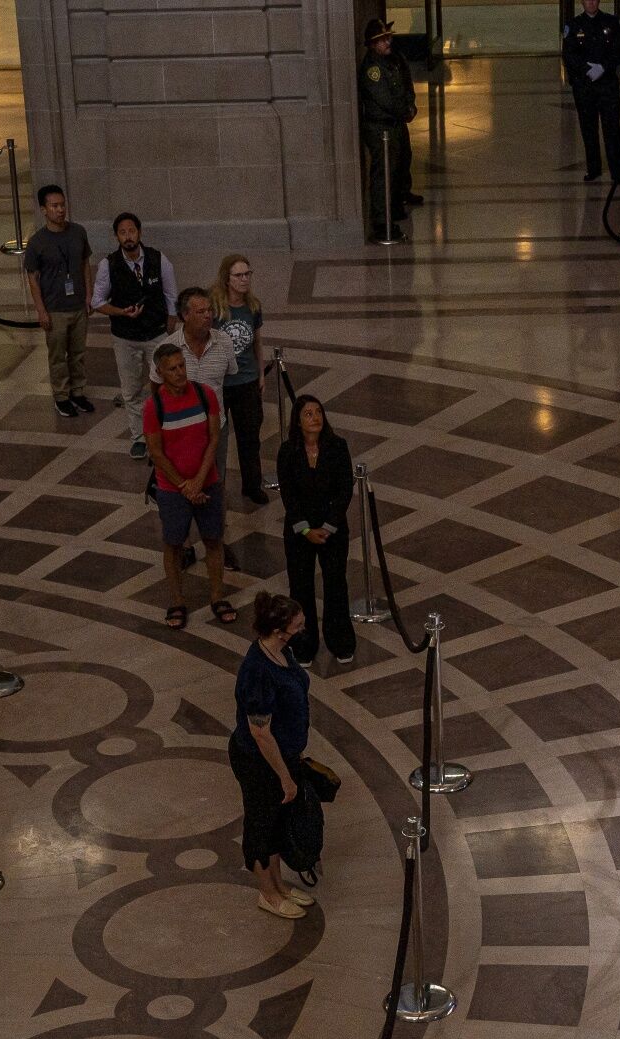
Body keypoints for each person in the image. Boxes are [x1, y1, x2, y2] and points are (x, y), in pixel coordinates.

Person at [230, 592, 317, 920]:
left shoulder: (283, 652)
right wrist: (285, 777)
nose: (303, 629)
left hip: (284, 755)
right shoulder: (256, 672)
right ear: (280, 631)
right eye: (299, 625)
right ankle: (267, 893)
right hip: (260, 762)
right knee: (261, 826)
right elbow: (260, 733)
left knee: (278, 823)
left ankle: (279, 885)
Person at [144, 342, 236, 629]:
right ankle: (177, 600)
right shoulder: (154, 406)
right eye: (172, 369)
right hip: (173, 490)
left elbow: (213, 439)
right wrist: (184, 486)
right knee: (173, 545)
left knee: (213, 539)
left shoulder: (204, 393)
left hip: (206, 483)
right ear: (160, 372)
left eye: (181, 365)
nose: (180, 372)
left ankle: (217, 595)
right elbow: (156, 453)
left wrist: (198, 482)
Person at [278, 394, 357, 666]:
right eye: (308, 414)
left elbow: (345, 489)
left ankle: (341, 642)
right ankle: (303, 646)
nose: (315, 418)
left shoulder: (337, 447)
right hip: (300, 532)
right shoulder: (287, 452)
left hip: (332, 530)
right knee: (301, 587)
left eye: (318, 412)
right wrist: (305, 530)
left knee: (336, 585)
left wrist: (328, 526)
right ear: (298, 422)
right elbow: (289, 496)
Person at [90, 212, 175, 460]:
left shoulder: (159, 260)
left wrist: (170, 325)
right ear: (117, 236)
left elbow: (171, 295)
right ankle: (139, 436)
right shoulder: (109, 265)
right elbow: (97, 301)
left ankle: (165, 432)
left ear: (139, 232)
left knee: (164, 386)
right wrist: (120, 312)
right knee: (131, 390)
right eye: (123, 232)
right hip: (125, 337)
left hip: (156, 333)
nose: (128, 237)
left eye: (132, 231)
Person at [177, 287, 242, 573]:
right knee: (184, 487)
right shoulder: (170, 348)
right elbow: (157, 389)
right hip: (182, 434)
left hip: (217, 431)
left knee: (215, 485)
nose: (208, 316)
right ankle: (186, 544)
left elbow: (229, 376)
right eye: (201, 312)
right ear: (185, 315)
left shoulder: (224, 342)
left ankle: (217, 541)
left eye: (209, 311)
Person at [22, 184, 93, 418]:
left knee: (78, 352)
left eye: (62, 205)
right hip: (54, 308)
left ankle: (78, 392)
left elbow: (85, 264)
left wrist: (89, 295)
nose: (60, 210)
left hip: (78, 304)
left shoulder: (78, 232)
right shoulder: (37, 242)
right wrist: (41, 311)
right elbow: (33, 278)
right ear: (44, 209)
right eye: (54, 206)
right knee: (57, 355)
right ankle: (61, 396)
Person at [211, 254, 269, 503]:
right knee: (217, 439)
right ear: (227, 278)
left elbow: (256, 340)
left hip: (246, 380)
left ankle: (252, 485)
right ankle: (216, 487)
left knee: (250, 437)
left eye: (247, 274)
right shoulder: (215, 308)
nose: (244, 279)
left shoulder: (253, 306)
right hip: (221, 383)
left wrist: (260, 372)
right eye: (239, 275)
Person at [357, 19, 418, 241]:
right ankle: (382, 222)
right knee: (383, 174)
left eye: (388, 37)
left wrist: (410, 106)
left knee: (398, 167)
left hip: (395, 124)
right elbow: (385, 100)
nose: (388, 41)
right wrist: (404, 111)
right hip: (381, 128)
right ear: (372, 44)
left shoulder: (391, 61)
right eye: (382, 39)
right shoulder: (373, 69)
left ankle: (394, 208)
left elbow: (405, 87)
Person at [562, 0, 620, 184]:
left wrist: (604, 68)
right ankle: (593, 169)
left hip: (607, 85)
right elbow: (569, 55)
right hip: (585, 87)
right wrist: (586, 70)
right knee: (588, 129)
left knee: (612, 128)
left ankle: (617, 172)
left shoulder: (611, 22)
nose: (591, 2)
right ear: (582, 2)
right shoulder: (573, 26)